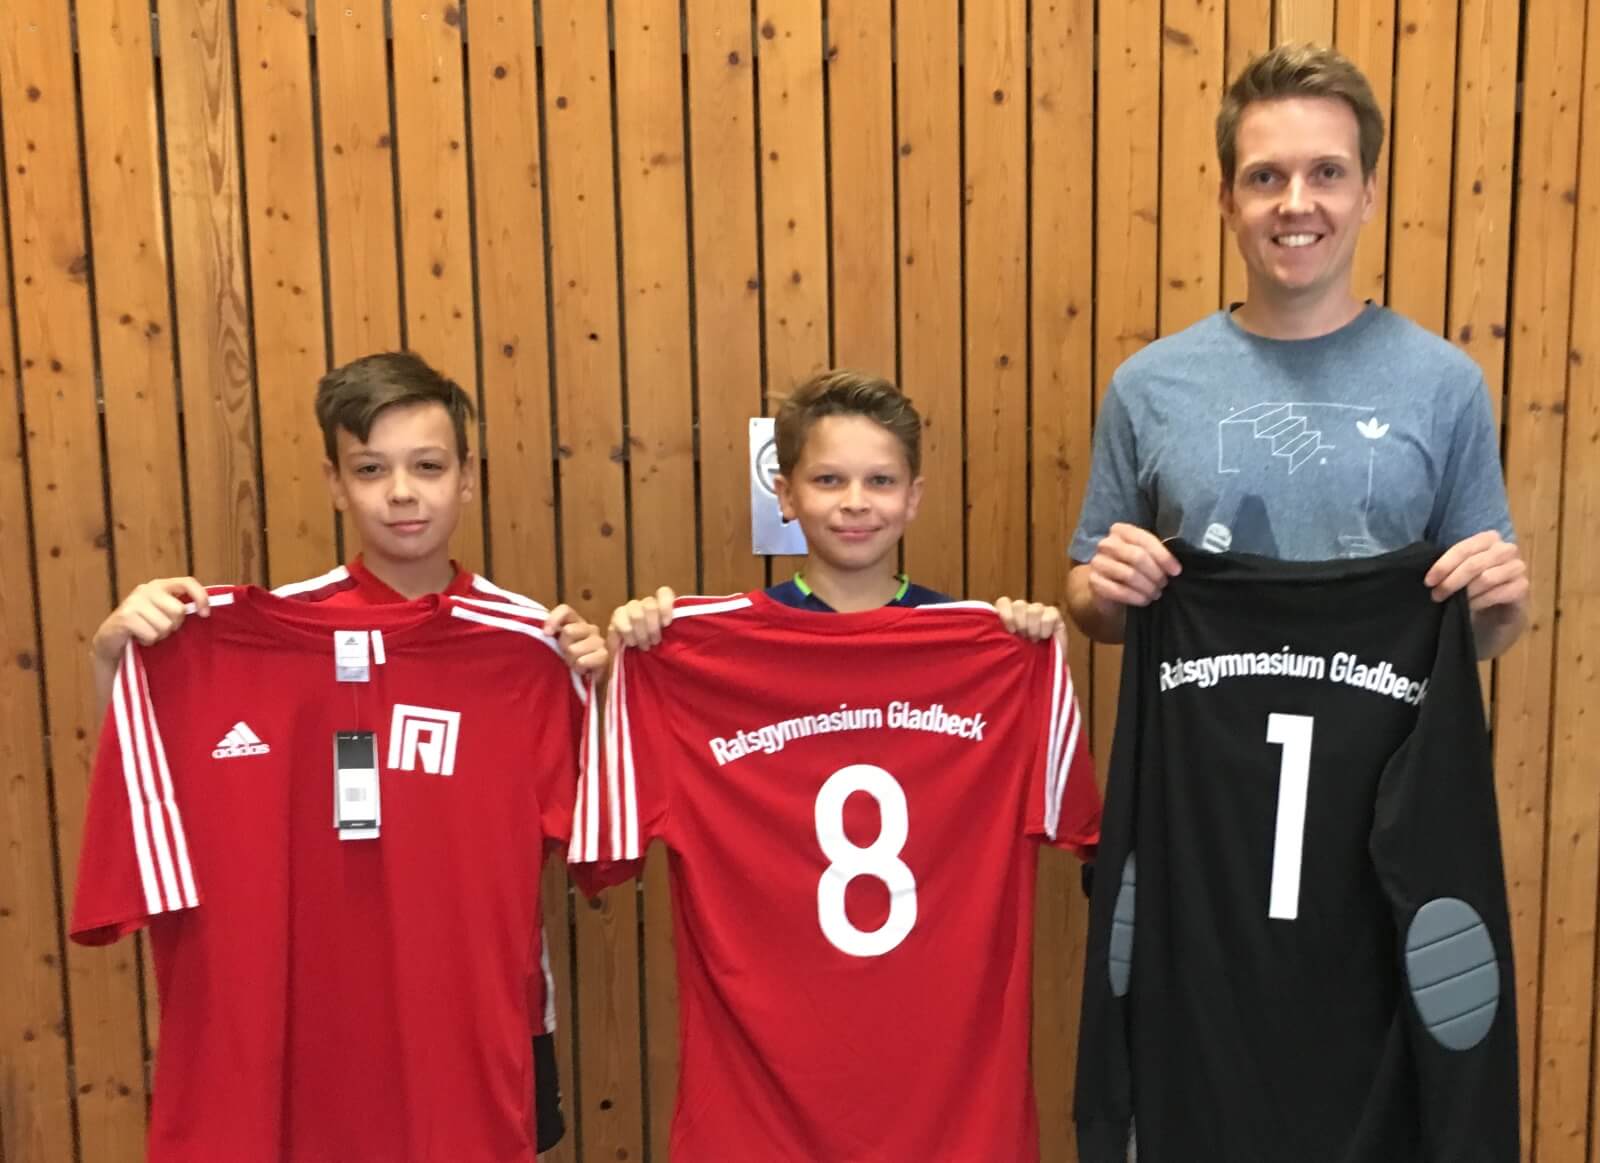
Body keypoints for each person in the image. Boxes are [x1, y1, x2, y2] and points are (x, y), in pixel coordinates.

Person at [87, 351, 604, 1156]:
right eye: (370, 468)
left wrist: (602, 693)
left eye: (428, 465)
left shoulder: (534, 649)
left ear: (468, 476)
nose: (401, 491)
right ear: (335, 482)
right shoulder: (228, 644)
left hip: (469, 1040)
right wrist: (116, 662)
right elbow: (146, 781)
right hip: (299, 1035)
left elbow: (604, 837)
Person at [1065, 43, 1528, 657]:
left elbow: (1484, 632)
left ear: (1368, 193)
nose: (1296, 203)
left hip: (1387, 723)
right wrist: (1103, 591)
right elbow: (1092, 602)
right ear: (1228, 200)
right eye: (1266, 177)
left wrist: (1501, 607)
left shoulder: (1446, 384)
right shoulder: (1146, 385)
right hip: (1200, 722)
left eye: (1328, 172)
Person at [612, 368, 1069, 645]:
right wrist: (643, 643)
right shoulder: (723, 641)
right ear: (786, 496)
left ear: (912, 498)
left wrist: (1033, 650)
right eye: (828, 480)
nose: (855, 503)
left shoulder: (967, 635)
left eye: (880, 481)